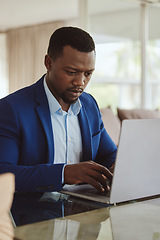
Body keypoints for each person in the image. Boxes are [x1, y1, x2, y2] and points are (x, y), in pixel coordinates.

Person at [0, 26, 117, 193]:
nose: (80, 82)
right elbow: (3, 173)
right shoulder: (11, 109)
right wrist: (63, 173)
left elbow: (109, 153)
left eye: (88, 74)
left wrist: (116, 165)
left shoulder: (90, 105)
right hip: (34, 213)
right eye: (71, 72)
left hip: (87, 207)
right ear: (49, 63)